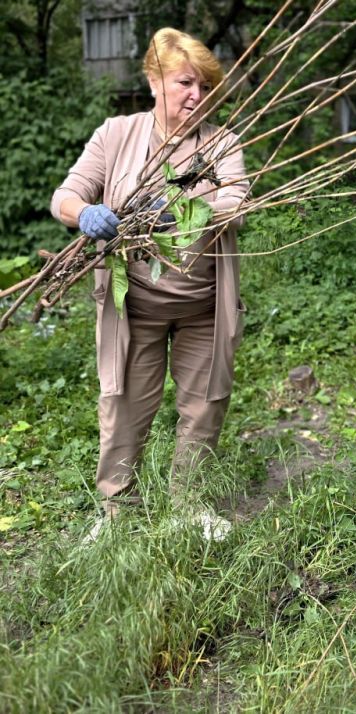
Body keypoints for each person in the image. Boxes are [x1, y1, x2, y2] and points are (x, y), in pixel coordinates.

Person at [50, 28, 250, 541]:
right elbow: (65, 196)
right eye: (186, 82)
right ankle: (118, 512)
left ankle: (189, 506)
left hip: (203, 306)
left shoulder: (222, 143)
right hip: (133, 307)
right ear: (154, 80)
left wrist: (183, 210)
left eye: (206, 86)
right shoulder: (116, 134)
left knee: (205, 404)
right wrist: (87, 212)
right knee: (122, 407)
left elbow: (236, 204)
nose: (196, 96)